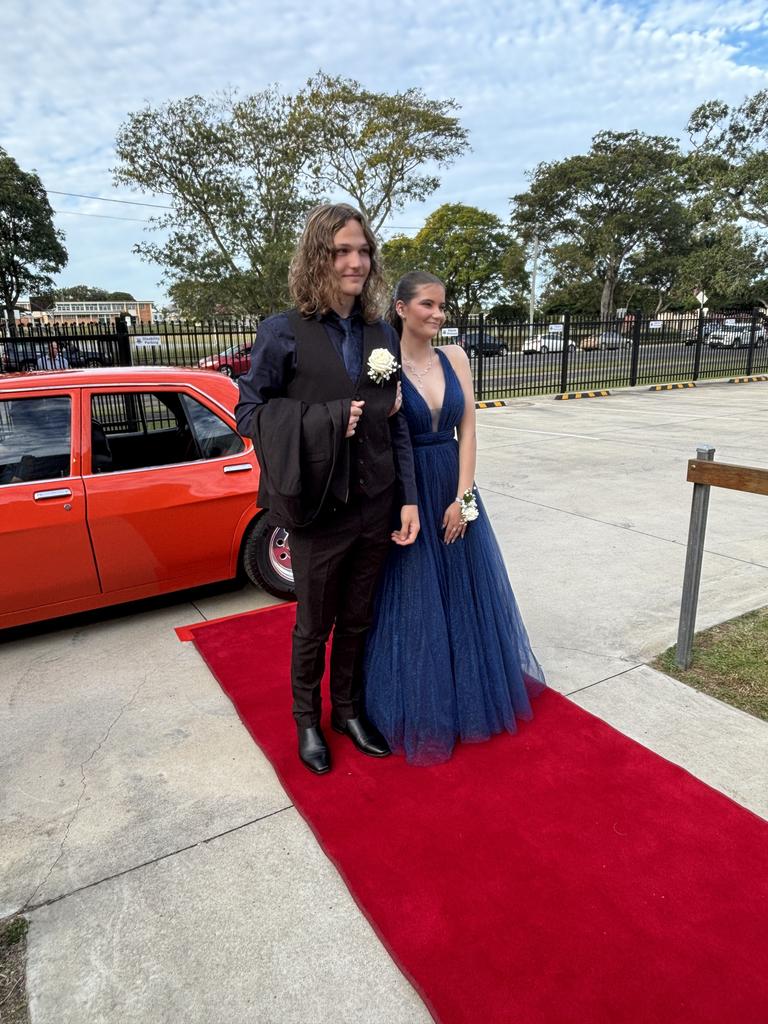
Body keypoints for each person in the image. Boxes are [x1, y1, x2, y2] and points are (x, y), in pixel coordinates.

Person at [235, 204, 420, 776]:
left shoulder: (380, 332)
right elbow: (248, 411)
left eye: (363, 250)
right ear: (318, 256)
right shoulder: (282, 330)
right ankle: (307, 721)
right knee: (314, 624)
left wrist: (409, 497)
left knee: (360, 617)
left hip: (377, 502)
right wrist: (326, 419)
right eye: (342, 250)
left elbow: (398, 420)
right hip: (318, 510)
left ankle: (348, 711)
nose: (356, 261)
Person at [364, 271, 546, 765]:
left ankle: (470, 695)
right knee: (415, 597)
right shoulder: (381, 364)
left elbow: (468, 430)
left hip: (455, 484)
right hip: (408, 489)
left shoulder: (457, 356)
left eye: (443, 305)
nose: (439, 314)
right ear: (401, 309)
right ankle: (424, 703)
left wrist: (464, 500)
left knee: (466, 593)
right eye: (428, 305)